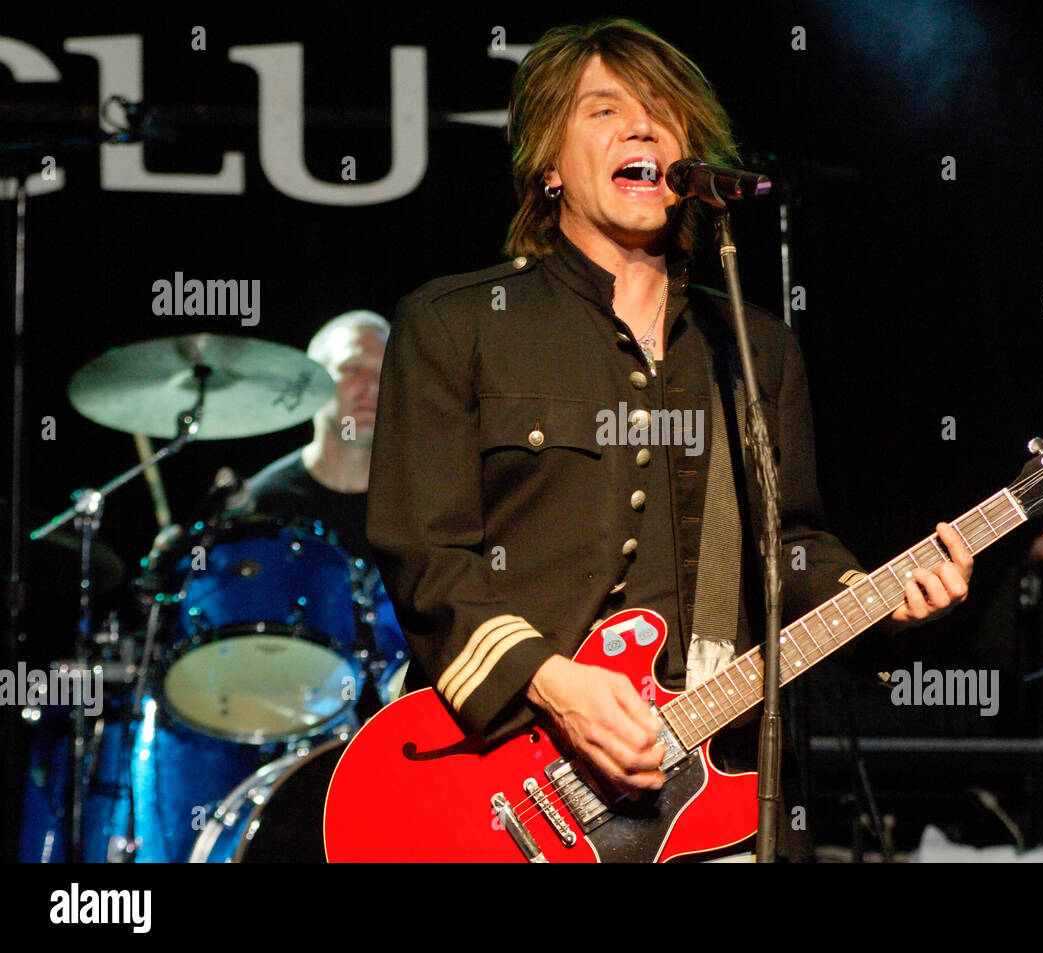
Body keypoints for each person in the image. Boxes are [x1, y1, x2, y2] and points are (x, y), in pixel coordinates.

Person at [365, 19, 973, 837]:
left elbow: (787, 542)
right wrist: (552, 683)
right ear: (548, 165)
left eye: (662, 112)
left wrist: (872, 598)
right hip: (506, 779)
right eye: (604, 111)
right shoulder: (456, 326)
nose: (643, 127)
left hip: (708, 789)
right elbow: (425, 555)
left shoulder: (756, 349)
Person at [247, 310, 389, 562]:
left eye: (387, 371)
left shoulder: (427, 510)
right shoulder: (259, 507)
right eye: (353, 368)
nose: (373, 385)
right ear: (311, 384)